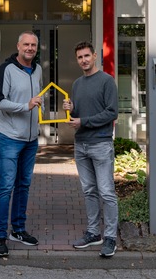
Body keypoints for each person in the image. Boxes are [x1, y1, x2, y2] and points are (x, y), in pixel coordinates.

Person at [62, 41, 119, 258]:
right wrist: (70, 108)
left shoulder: (107, 81)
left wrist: (83, 121)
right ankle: (94, 233)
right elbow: (79, 111)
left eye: (87, 56)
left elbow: (112, 113)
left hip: (101, 144)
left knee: (106, 192)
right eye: (79, 57)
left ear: (95, 56)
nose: (84, 60)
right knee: (89, 191)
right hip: (81, 144)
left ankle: (110, 237)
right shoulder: (77, 84)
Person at [0, 30, 43, 257]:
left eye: (33, 45)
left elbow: (36, 99)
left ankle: (18, 230)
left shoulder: (38, 69)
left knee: (24, 185)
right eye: (26, 45)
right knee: (6, 186)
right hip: (10, 136)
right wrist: (26, 106)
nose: (30, 48)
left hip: (31, 138)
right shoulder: (6, 69)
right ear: (18, 46)